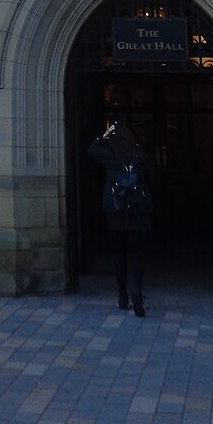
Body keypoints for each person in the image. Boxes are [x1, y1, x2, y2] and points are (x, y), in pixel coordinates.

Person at [89, 120, 154, 315]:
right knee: (136, 253)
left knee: (119, 254)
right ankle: (136, 288)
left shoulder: (110, 155)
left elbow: (92, 149)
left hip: (116, 213)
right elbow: (151, 176)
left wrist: (104, 135)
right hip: (138, 212)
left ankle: (122, 295)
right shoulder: (139, 155)